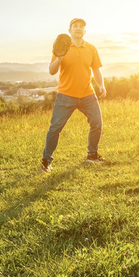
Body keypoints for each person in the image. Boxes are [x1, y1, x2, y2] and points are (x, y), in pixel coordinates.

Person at [41, 18, 106, 172]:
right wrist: (60, 58)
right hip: (65, 96)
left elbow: (96, 69)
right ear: (69, 30)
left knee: (97, 122)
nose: (78, 28)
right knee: (55, 128)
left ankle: (92, 155)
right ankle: (46, 160)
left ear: (85, 31)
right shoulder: (61, 47)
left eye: (81, 27)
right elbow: (52, 71)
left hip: (87, 94)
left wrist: (101, 85)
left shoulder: (91, 48)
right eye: (75, 26)